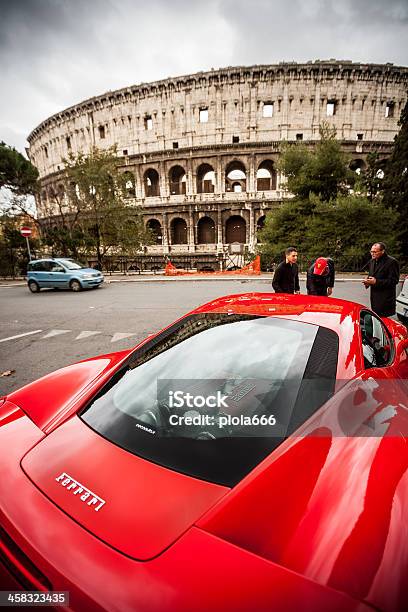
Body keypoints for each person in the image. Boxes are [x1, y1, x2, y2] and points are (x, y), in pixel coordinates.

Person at [362, 242, 400, 317]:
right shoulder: (372, 261)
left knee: (384, 323)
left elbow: (394, 281)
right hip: (374, 298)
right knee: (376, 320)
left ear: (382, 251)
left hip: (386, 299)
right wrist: (368, 282)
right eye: (371, 251)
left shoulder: (392, 262)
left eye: (375, 252)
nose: (372, 254)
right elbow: (372, 275)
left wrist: (376, 281)